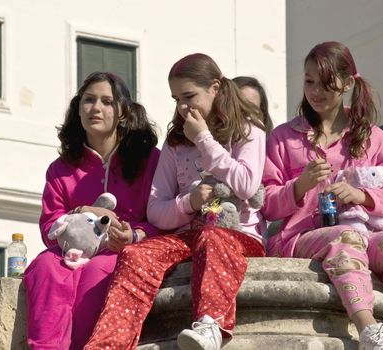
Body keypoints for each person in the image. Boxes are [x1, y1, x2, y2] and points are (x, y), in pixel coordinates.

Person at [261, 41, 383, 350]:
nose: (315, 91)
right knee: (345, 237)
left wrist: (360, 195)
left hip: (369, 235)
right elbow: (266, 203)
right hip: (300, 239)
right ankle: (369, 332)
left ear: (348, 84)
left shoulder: (371, 136)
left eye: (326, 84)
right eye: (309, 81)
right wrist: (300, 185)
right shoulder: (283, 137)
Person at [84, 53, 267, 350]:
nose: (183, 107)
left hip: (237, 235)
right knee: (136, 255)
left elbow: (246, 185)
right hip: (186, 235)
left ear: (215, 88)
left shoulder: (249, 131)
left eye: (189, 96)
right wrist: (189, 203)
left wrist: (205, 139)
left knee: (213, 236)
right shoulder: (176, 142)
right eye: (176, 99)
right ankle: (108, 344)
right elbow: (156, 211)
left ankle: (211, 326)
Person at [23, 72, 161, 349]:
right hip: (69, 252)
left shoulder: (150, 160)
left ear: (122, 112)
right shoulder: (60, 168)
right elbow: (49, 228)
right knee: (45, 266)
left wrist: (132, 235)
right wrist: (77, 213)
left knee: (99, 271)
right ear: (78, 108)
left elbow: (164, 219)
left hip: (122, 252)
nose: (96, 108)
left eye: (107, 102)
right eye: (88, 100)